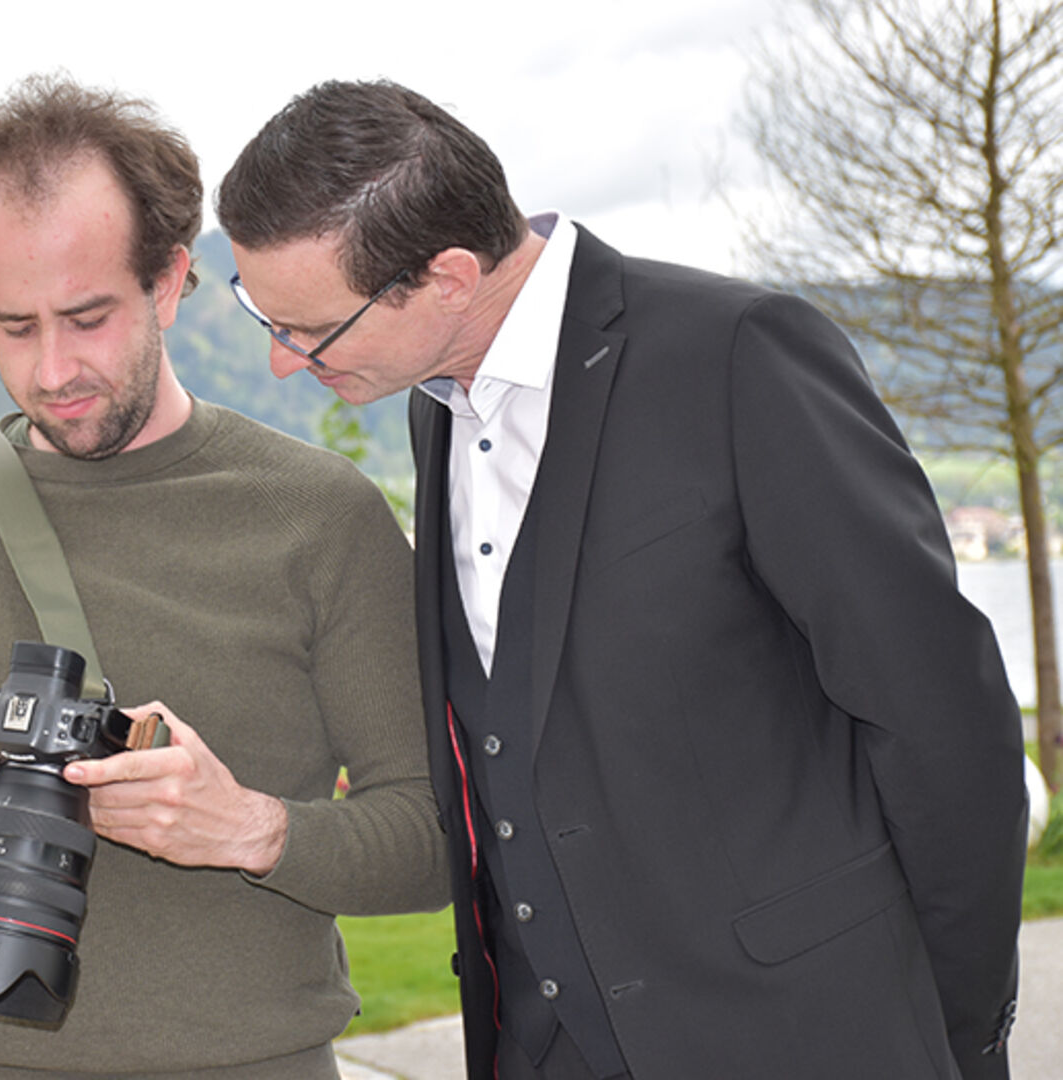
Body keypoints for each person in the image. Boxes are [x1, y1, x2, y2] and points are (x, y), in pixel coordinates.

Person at [217, 79, 1028, 1080]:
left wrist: (951, 1027)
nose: (279, 363)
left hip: (800, 1036)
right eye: (261, 315)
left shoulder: (736, 355)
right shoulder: (434, 408)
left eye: (308, 329)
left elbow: (940, 720)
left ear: (448, 278)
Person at [0, 75, 445, 1080]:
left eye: (87, 317)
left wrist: (248, 830)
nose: (50, 371)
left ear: (169, 281)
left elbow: (435, 839)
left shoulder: (317, 513)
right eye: (12, 325)